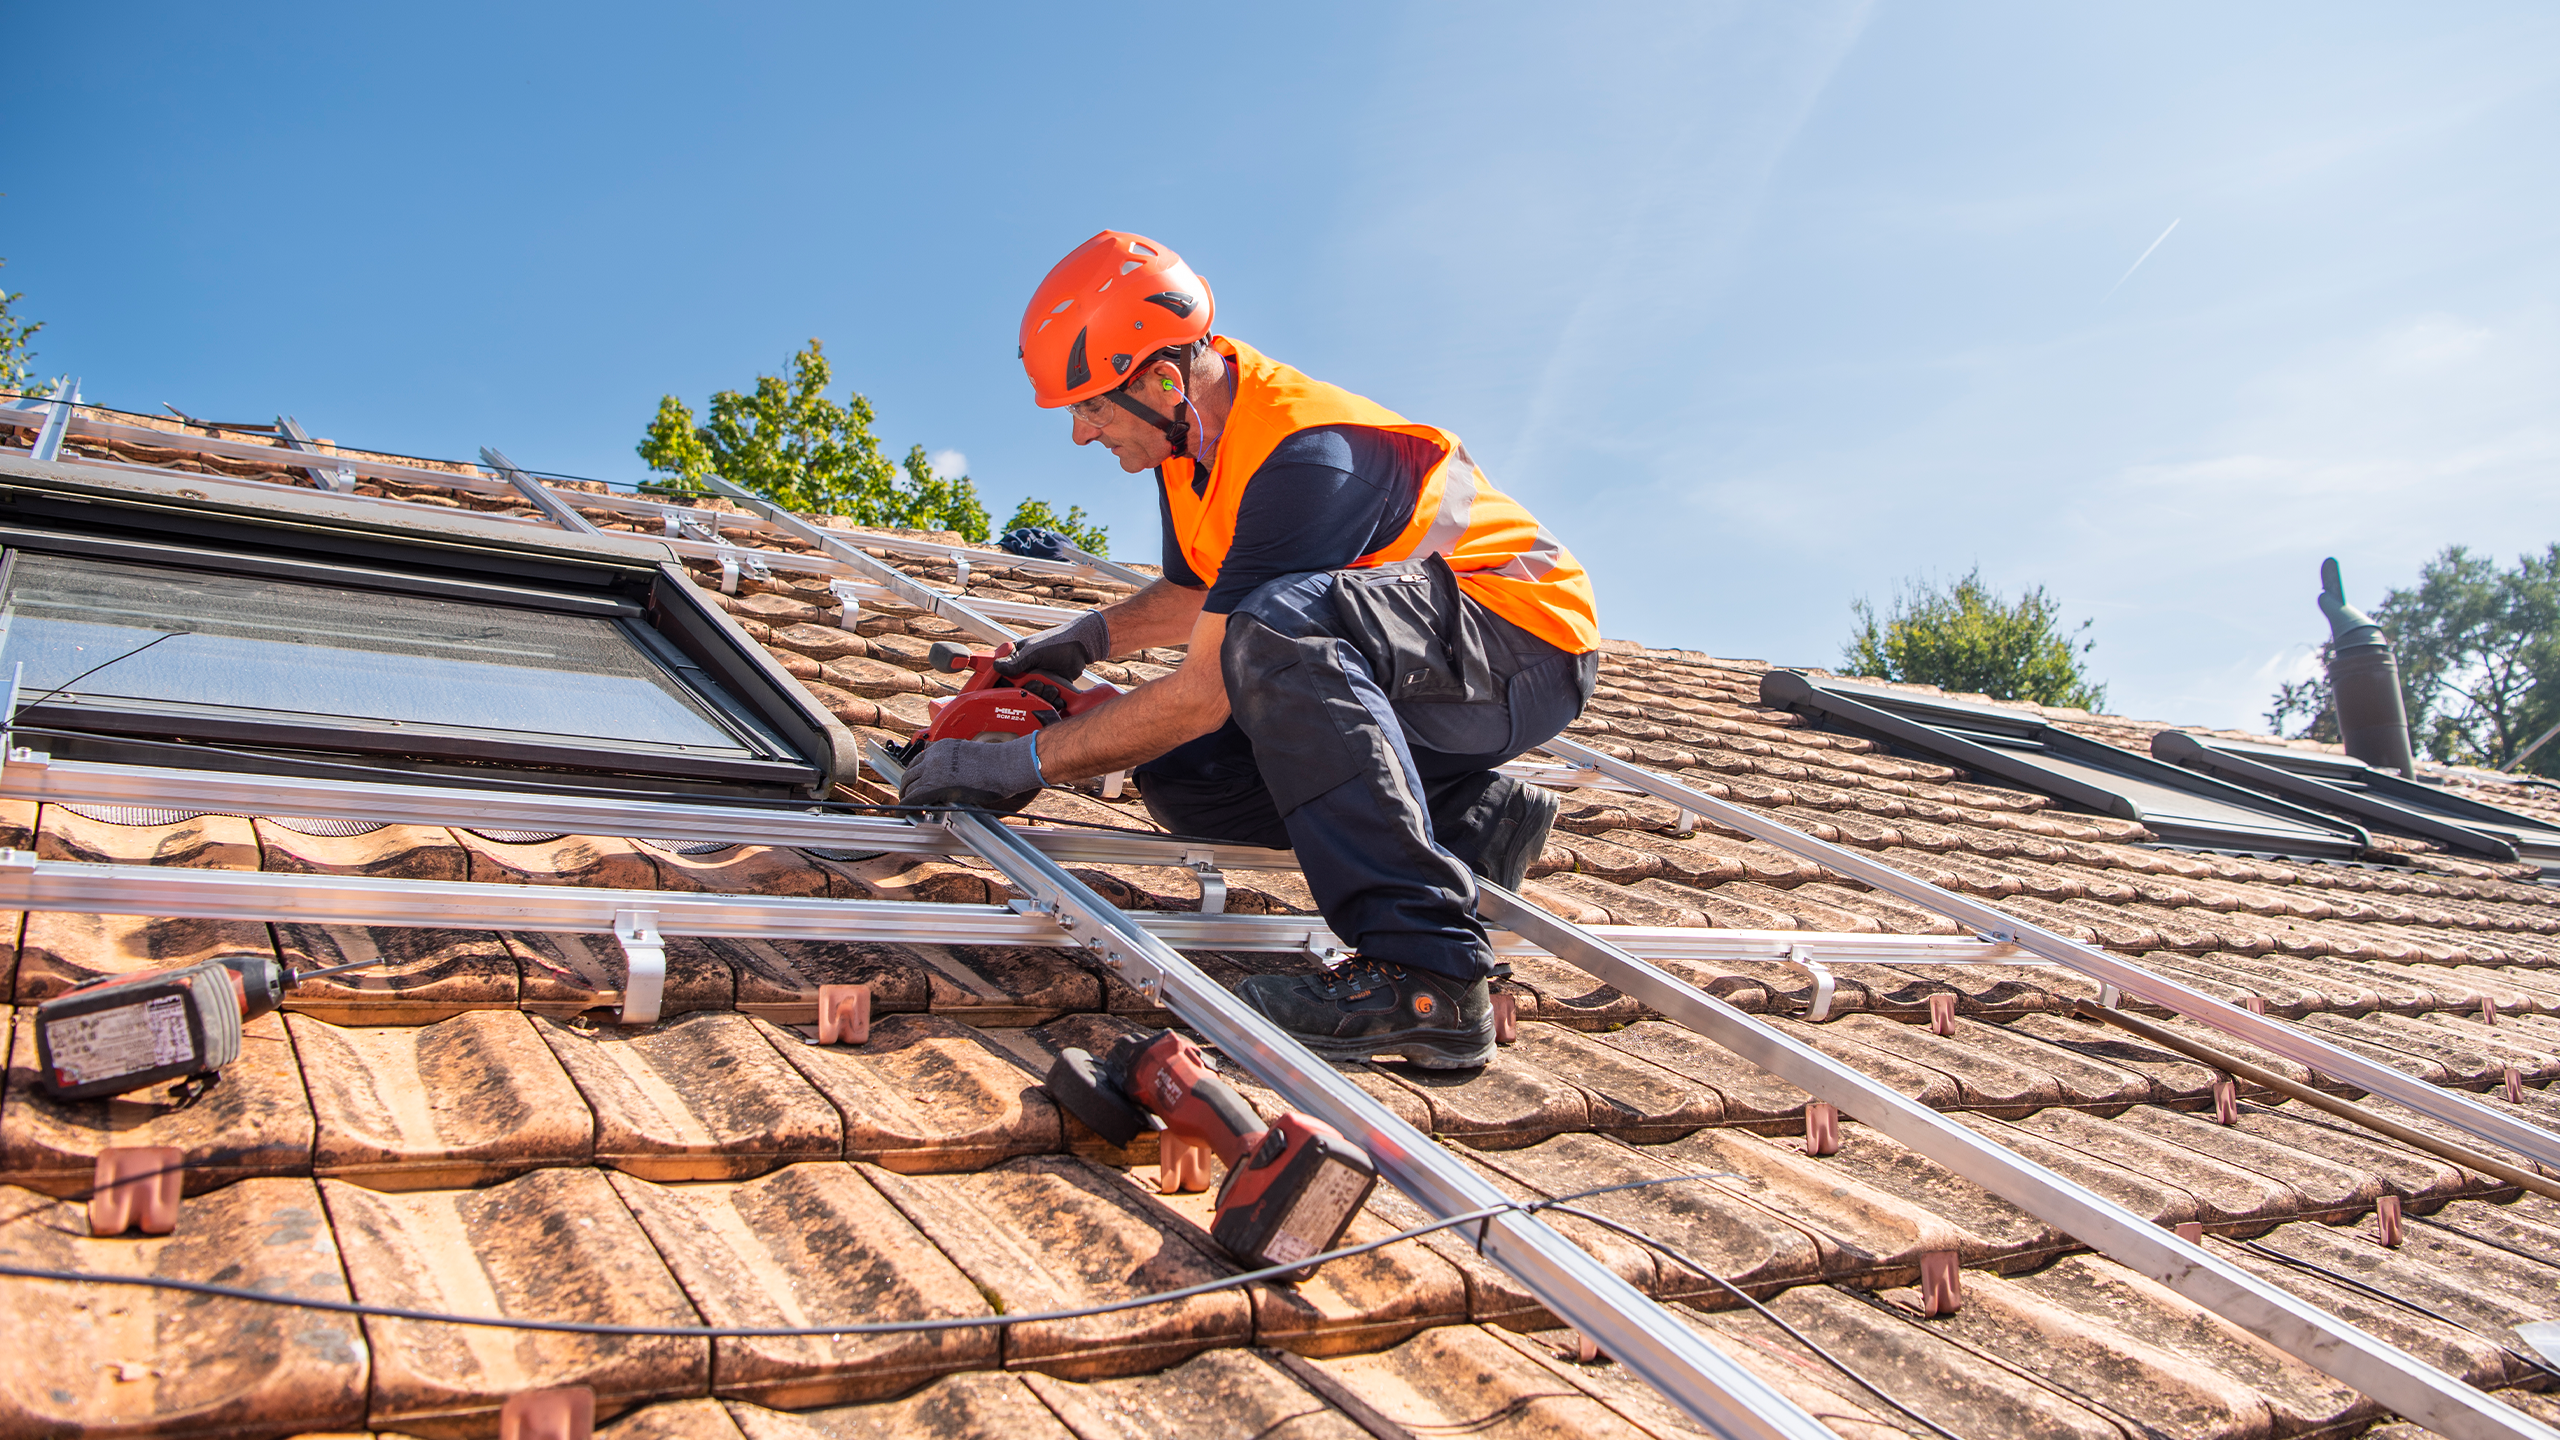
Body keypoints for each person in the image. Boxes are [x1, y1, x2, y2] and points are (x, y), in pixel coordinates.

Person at [899, 230, 1600, 1068]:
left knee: (1272, 633)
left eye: (1090, 406)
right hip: (1420, 664)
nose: (1083, 435)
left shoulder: (1309, 454)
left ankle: (1428, 975)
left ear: (1162, 379)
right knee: (1190, 778)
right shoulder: (1189, 441)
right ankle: (1473, 819)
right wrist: (1083, 641)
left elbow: (1210, 681)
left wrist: (1017, 765)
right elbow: (1204, 590)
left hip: (1522, 643)